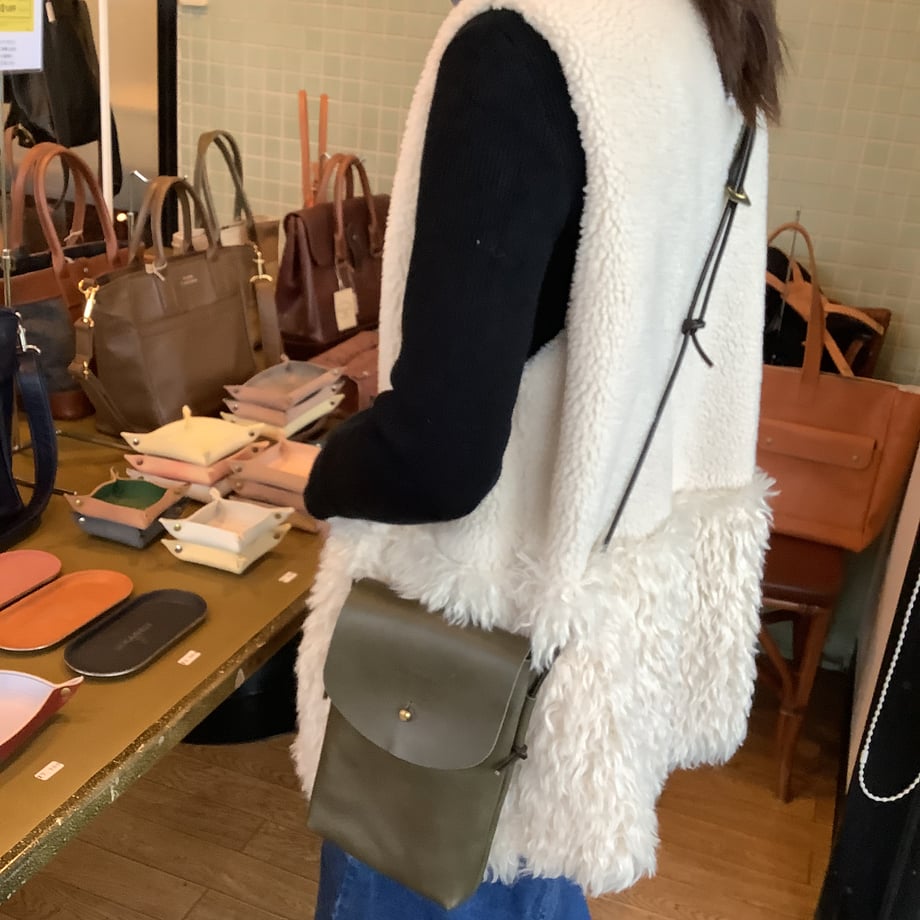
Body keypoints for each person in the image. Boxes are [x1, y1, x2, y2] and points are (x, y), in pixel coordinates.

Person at [294, 0, 783, 917]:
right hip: (582, 638)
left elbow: (437, 457)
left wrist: (303, 477)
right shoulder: (710, 48)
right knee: (532, 879)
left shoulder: (520, 47)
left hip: (456, 655)